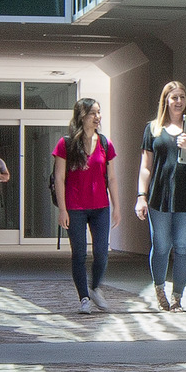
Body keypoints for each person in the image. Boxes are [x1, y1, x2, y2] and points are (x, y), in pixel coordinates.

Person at [136, 81, 186, 311]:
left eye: (182, 97)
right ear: (166, 101)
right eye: (174, 97)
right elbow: (146, 166)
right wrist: (141, 195)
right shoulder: (153, 129)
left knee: (182, 247)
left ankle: (177, 297)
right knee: (161, 245)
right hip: (160, 196)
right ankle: (160, 291)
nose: (178, 101)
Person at [50, 97, 117, 313]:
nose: (97, 117)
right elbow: (59, 178)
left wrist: (117, 206)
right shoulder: (66, 144)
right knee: (79, 254)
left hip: (100, 207)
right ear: (82, 116)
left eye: (99, 113)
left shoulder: (106, 143)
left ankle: (96, 287)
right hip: (75, 207)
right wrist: (62, 209)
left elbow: (112, 178)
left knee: (101, 253)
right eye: (93, 113)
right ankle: (84, 298)